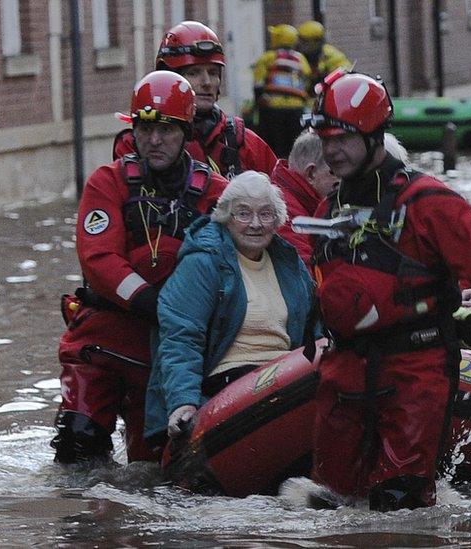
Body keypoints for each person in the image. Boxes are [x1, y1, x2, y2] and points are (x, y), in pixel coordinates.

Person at [303, 69, 471, 511]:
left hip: (414, 371)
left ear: (375, 136)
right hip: (345, 371)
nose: (332, 151)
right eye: (326, 139)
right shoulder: (327, 209)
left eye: (343, 139)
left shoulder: (430, 204)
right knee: (330, 504)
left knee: (400, 506)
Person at [52, 71, 228, 464]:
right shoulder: (107, 183)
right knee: (76, 452)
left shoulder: (216, 193)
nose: (154, 140)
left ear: (185, 132)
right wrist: (150, 299)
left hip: (166, 349)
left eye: (165, 129)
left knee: (152, 469)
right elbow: (98, 259)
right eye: (145, 128)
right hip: (104, 337)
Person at [145, 171, 315, 442]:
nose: (256, 224)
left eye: (266, 214)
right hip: (226, 386)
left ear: (278, 220)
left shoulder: (289, 264)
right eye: (244, 214)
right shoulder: (202, 263)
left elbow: (314, 328)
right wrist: (183, 402)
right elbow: (181, 338)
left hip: (286, 378)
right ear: (226, 217)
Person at [114, 21, 277, 179]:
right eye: (194, 73)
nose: (206, 82)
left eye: (213, 73)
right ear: (169, 79)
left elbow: (282, 197)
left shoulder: (242, 141)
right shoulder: (136, 144)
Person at [270, 131, 338, 262]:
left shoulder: (296, 203)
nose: (344, 182)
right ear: (311, 173)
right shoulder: (286, 217)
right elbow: (311, 275)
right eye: (336, 172)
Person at [252, 24, 313, 158]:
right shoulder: (300, 59)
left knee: (275, 146)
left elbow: (258, 82)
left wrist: (258, 102)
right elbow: (307, 78)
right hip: (296, 110)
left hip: (273, 109)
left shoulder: (268, 57)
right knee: (294, 145)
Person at [297, 20, 351, 95]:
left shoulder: (331, 55)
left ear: (318, 41)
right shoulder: (297, 56)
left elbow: (344, 72)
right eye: (302, 41)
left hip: (326, 96)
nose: (304, 46)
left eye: (308, 42)